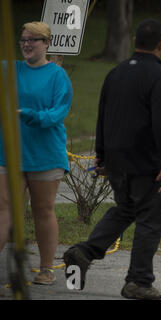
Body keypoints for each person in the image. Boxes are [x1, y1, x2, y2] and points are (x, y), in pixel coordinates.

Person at [62, 19, 161, 300]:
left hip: (116, 158)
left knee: (125, 209)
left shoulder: (115, 73)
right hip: (145, 161)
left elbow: (103, 115)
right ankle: (138, 281)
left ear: (135, 40)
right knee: (150, 218)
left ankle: (84, 252)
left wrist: (101, 155)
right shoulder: (160, 77)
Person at [0, 22, 73, 285]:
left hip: (45, 153)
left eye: (33, 40)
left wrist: (30, 115)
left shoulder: (58, 75)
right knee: (4, 209)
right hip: (9, 152)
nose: (27, 44)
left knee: (43, 210)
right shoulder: (10, 69)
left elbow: (58, 113)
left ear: (46, 44)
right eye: (23, 40)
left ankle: (46, 269)